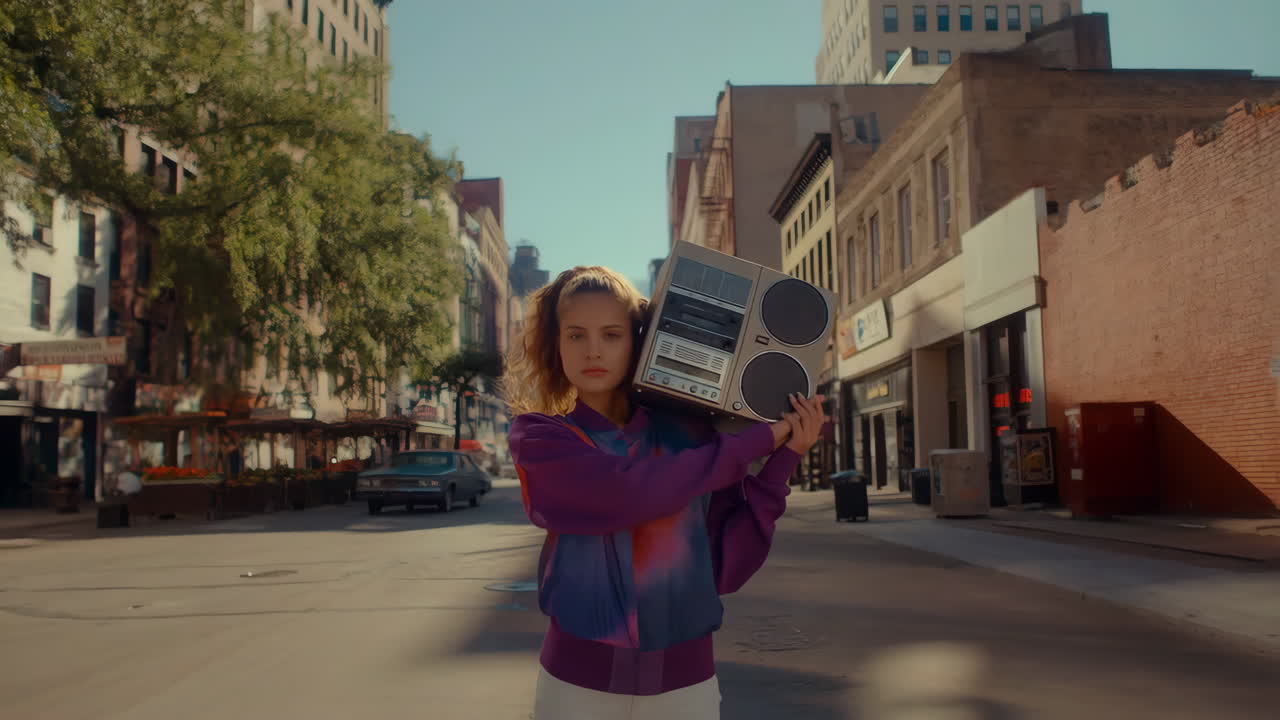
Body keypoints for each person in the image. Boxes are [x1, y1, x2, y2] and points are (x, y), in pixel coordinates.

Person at [506, 266, 827, 719]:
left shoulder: (693, 438)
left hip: (685, 687)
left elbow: (727, 569)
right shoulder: (539, 437)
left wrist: (786, 456)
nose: (593, 349)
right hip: (575, 687)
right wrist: (758, 442)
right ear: (555, 345)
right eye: (576, 335)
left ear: (638, 342)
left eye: (612, 335)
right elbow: (626, 492)